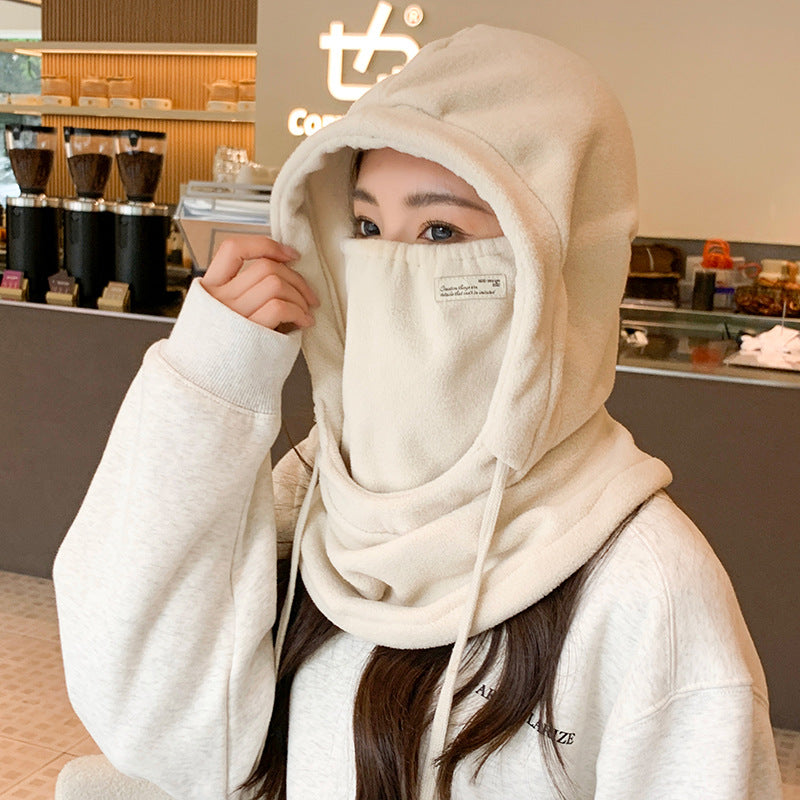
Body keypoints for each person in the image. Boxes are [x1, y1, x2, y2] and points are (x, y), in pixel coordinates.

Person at [53, 25, 782, 800]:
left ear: (563, 265)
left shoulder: (650, 590)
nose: (387, 264)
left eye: (441, 231)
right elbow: (148, 722)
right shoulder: (318, 490)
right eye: (367, 228)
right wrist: (210, 382)